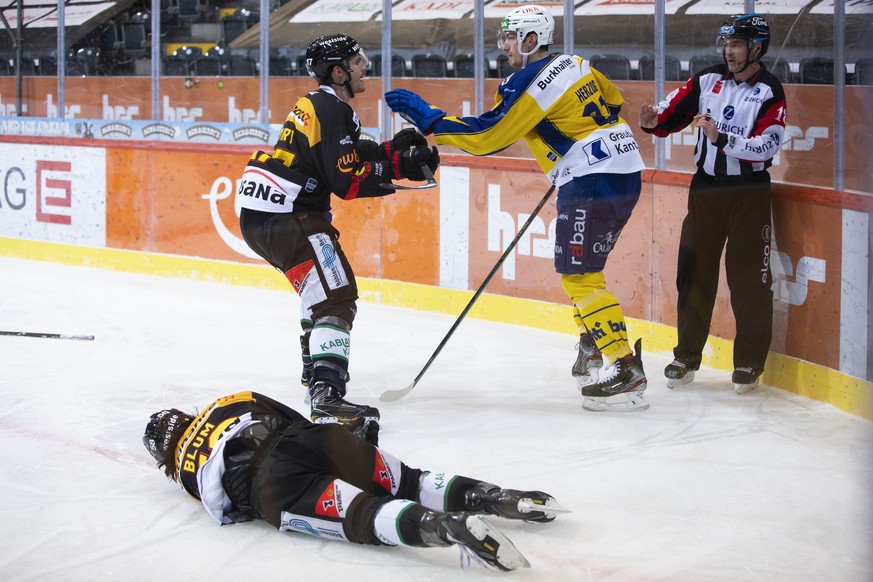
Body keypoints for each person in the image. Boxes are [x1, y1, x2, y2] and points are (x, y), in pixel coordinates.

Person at [385, 5, 648, 412]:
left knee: (578, 274)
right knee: (585, 269)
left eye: (510, 36)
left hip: (593, 177)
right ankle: (593, 346)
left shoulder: (528, 80)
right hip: (624, 170)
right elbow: (612, 103)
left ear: (531, 41)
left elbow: (491, 135)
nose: (503, 44)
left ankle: (625, 367)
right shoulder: (575, 63)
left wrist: (431, 120)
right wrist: (574, 144)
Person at [236, 34, 440, 430]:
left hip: (267, 215)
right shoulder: (332, 109)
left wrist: (387, 154)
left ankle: (315, 373)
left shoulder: (321, 105)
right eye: (356, 61)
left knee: (318, 291)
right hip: (288, 215)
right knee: (335, 296)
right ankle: (327, 396)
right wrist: (398, 168)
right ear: (337, 71)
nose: (364, 65)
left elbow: (336, 156)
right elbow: (345, 182)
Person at [143, 391, 567, 572]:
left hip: (274, 488)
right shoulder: (226, 400)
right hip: (304, 440)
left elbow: (231, 511)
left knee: (366, 514)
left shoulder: (183, 472)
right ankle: (498, 497)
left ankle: (443, 527)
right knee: (411, 481)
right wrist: (342, 447)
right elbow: (293, 417)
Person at [639, 14, 786, 394]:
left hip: (749, 194)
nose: (729, 51)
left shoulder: (770, 90)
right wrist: (653, 122)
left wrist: (722, 140)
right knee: (693, 272)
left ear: (757, 48)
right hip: (705, 190)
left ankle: (749, 362)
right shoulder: (707, 79)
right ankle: (686, 356)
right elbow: (671, 112)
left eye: (736, 44)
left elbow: (768, 146)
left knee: (749, 280)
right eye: (726, 44)